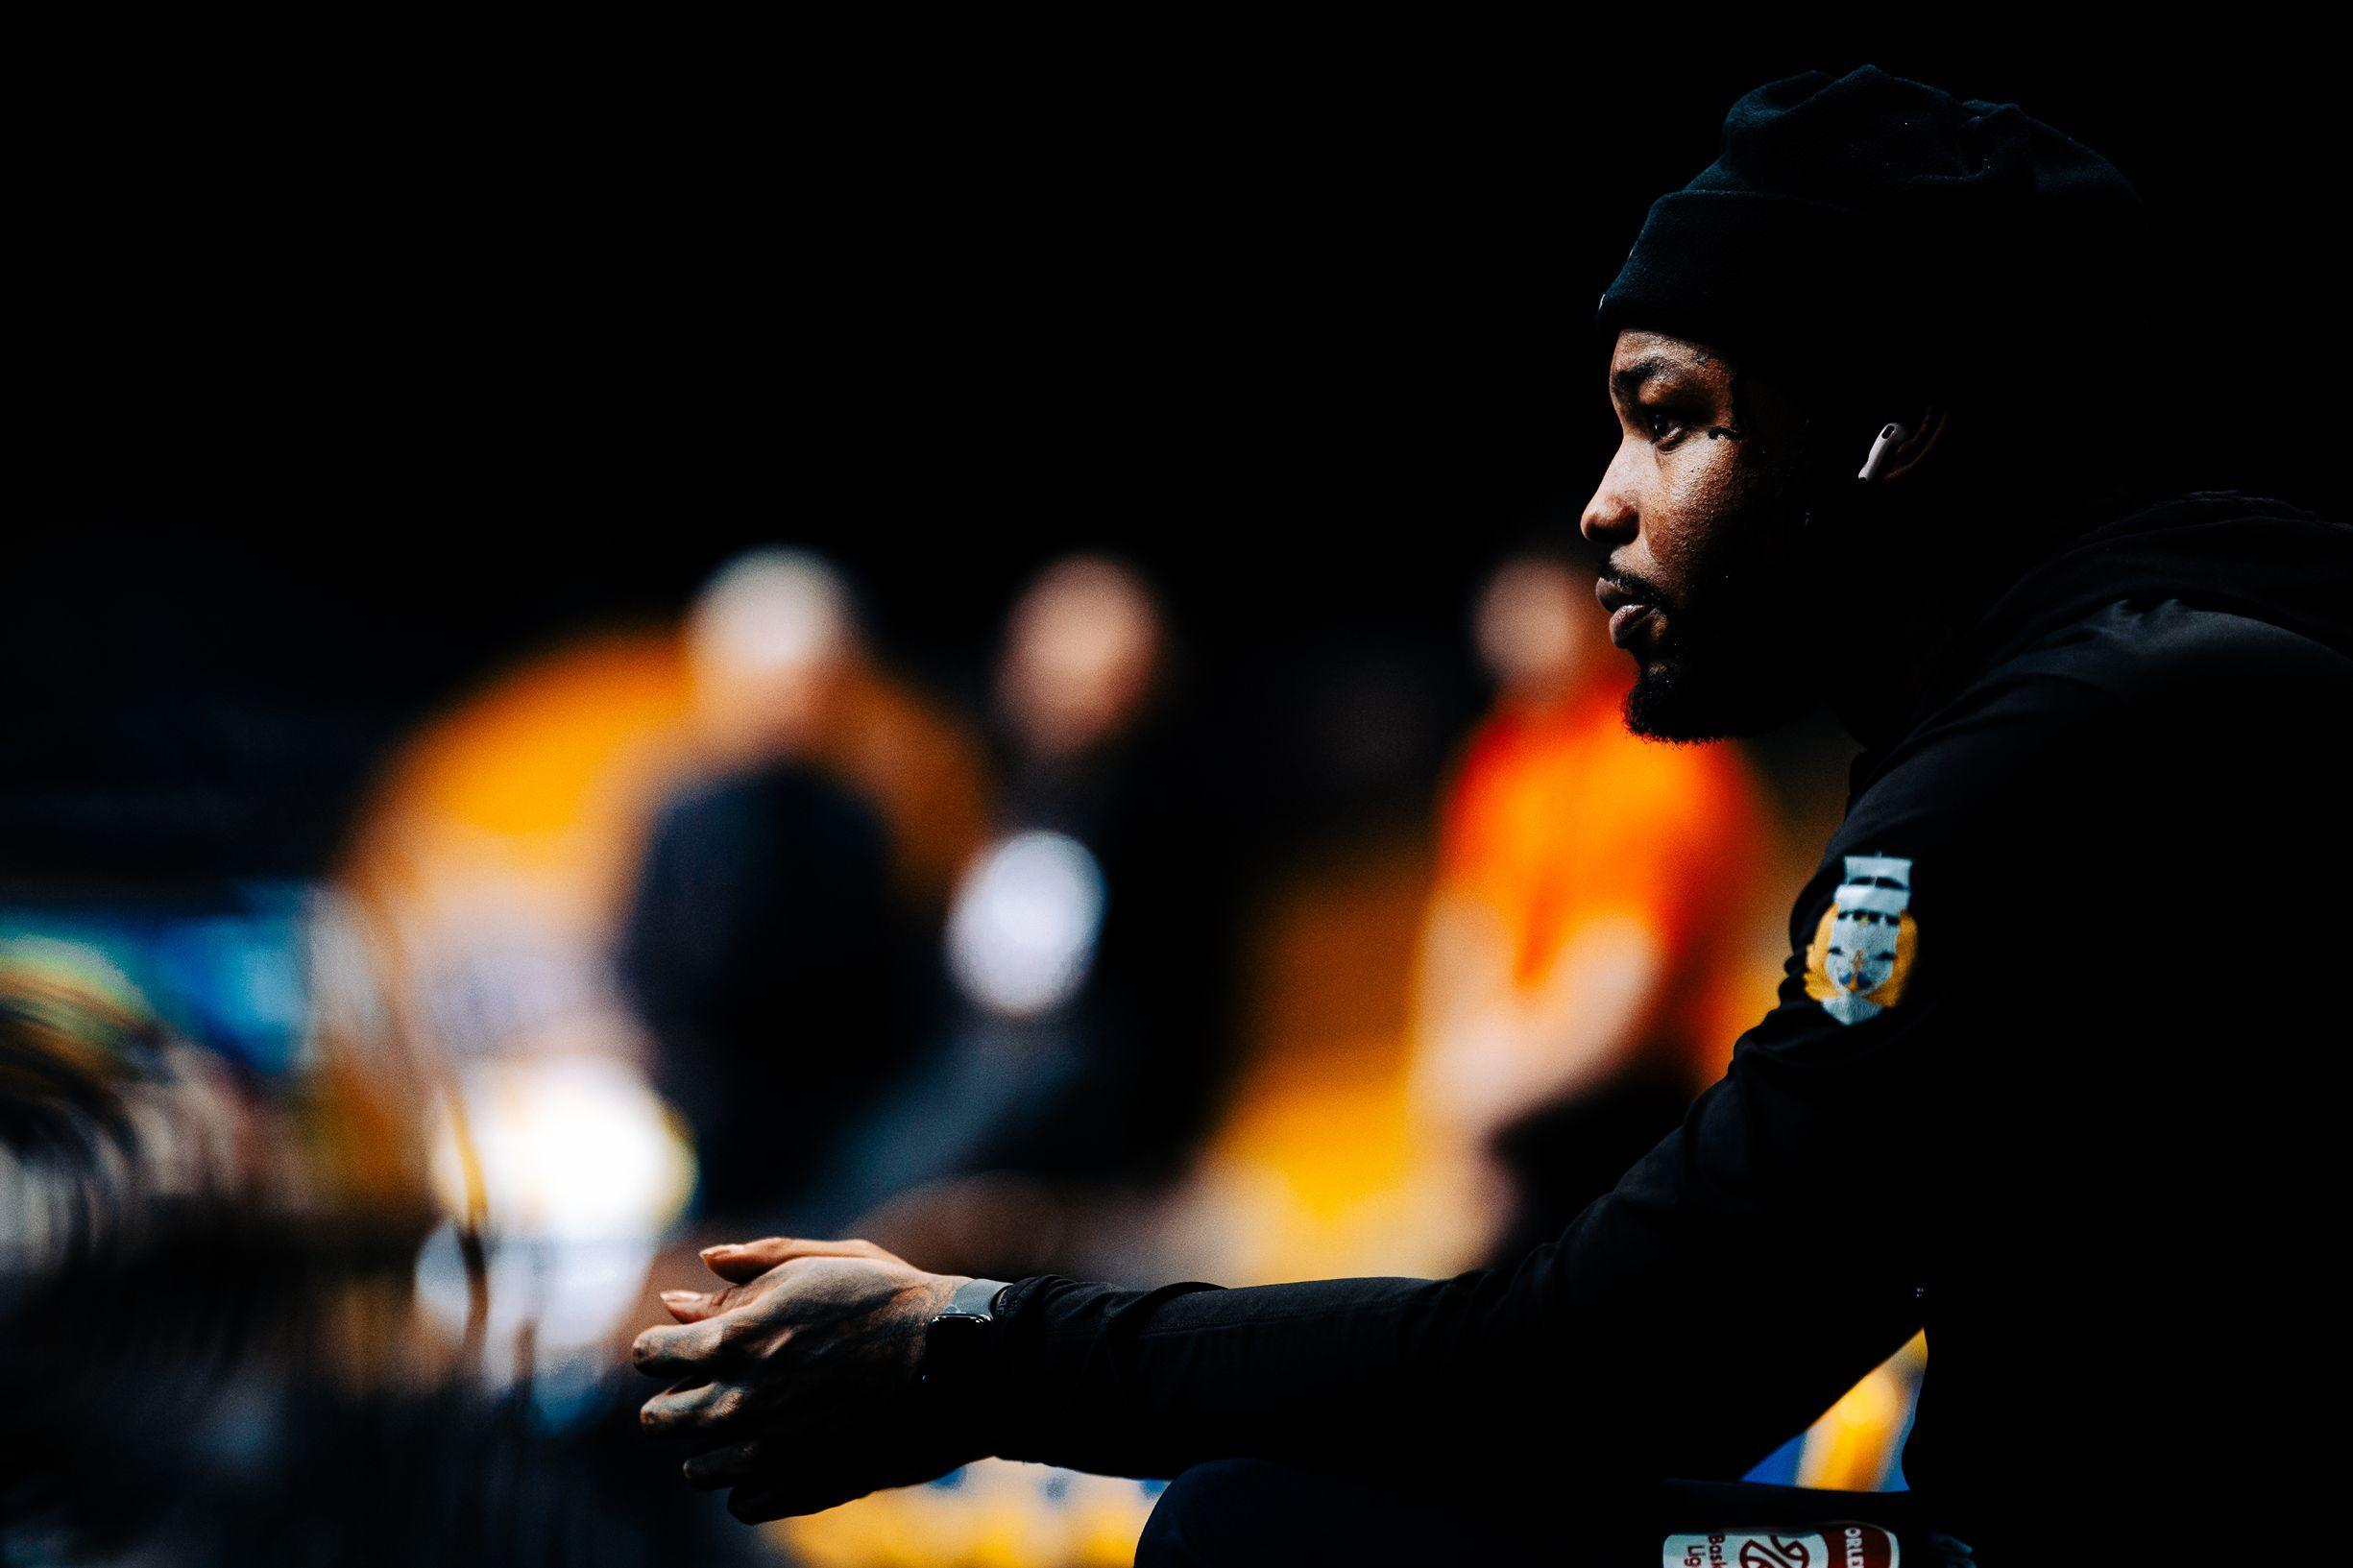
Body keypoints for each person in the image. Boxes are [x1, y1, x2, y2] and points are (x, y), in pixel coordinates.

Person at [630, 67, 2353, 1563]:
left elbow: (1628, 1361)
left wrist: (970, 1349)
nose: (1601, 506)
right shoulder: (2181, 669)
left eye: (1670, 419)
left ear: (1891, 431)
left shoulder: (2057, 747)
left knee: (1271, 1533)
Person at [1411, 550, 1768, 1267]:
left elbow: (1617, 1005)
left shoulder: (1653, 753)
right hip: (1527, 1109)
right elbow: (1469, 931)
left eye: (1536, 605)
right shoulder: (1499, 762)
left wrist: (1481, 1097)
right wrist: (1447, 1114)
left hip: (1645, 1108)